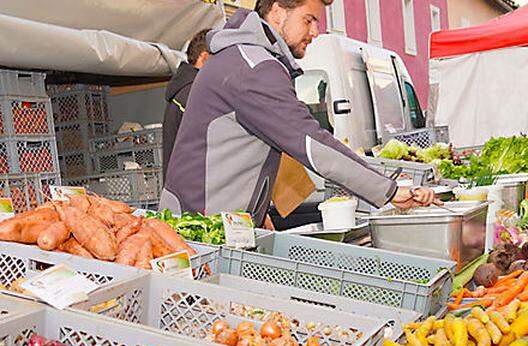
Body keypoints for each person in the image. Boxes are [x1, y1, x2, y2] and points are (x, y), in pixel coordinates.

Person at [160, 0, 435, 226]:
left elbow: (234, 148)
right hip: (200, 228)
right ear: (278, 11)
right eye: (308, 20)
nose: (315, 32)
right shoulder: (253, 67)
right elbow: (311, 142)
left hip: (212, 222)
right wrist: (389, 191)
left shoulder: (245, 58)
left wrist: (257, 211)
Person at [163, 30, 211, 183]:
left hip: (185, 189)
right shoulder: (194, 95)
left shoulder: (186, 91)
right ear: (204, 57)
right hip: (193, 192)